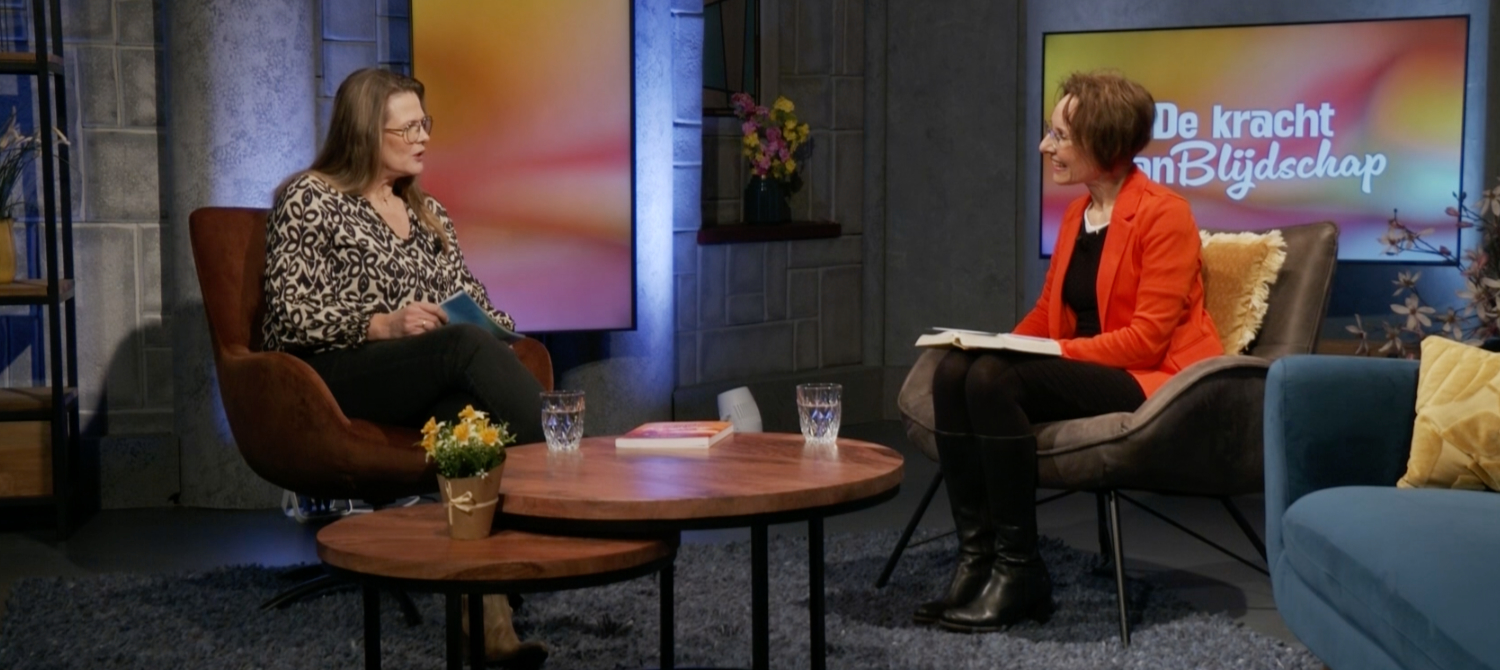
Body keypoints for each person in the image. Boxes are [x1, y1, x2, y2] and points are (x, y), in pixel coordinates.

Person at [917, 71, 1223, 633]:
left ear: (1102, 142)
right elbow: (1046, 311)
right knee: (957, 370)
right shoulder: (1075, 215)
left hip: (1148, 377)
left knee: (992, 380)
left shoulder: (1164, 213)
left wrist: (1044, 354)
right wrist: (997, 345)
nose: (1045, 146)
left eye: (1059, 135)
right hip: (1086, 364)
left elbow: (1146, 340)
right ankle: (977, 560)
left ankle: (1020, 571)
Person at [262, 67, 548, 667]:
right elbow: (288, 316)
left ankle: (486, 614)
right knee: (462, 347)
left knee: (467, 419)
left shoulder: (427, 211)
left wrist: (497, 329)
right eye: (408, 128)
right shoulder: (310, 198)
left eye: (425, 124)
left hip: (420, 375)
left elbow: (477, 301)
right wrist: (381, 324)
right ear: (366, 132)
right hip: (336, 375)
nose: (423, 138)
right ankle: (566, 477)